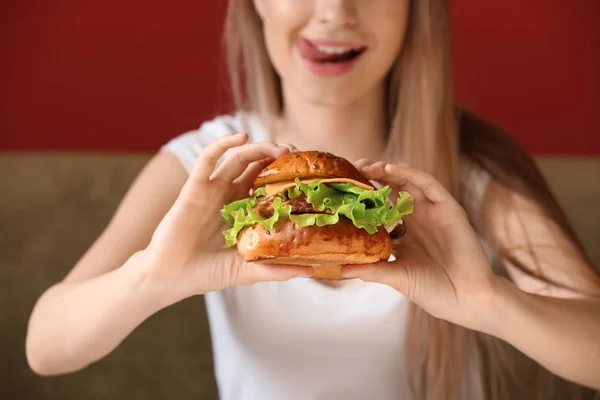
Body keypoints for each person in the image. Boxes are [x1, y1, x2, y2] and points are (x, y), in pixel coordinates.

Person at [25, 1, 600, 399]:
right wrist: (152, 277)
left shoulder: (472, 168)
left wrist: (491, 303)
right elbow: (47, 346)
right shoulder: (204, 165)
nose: (334, 15)